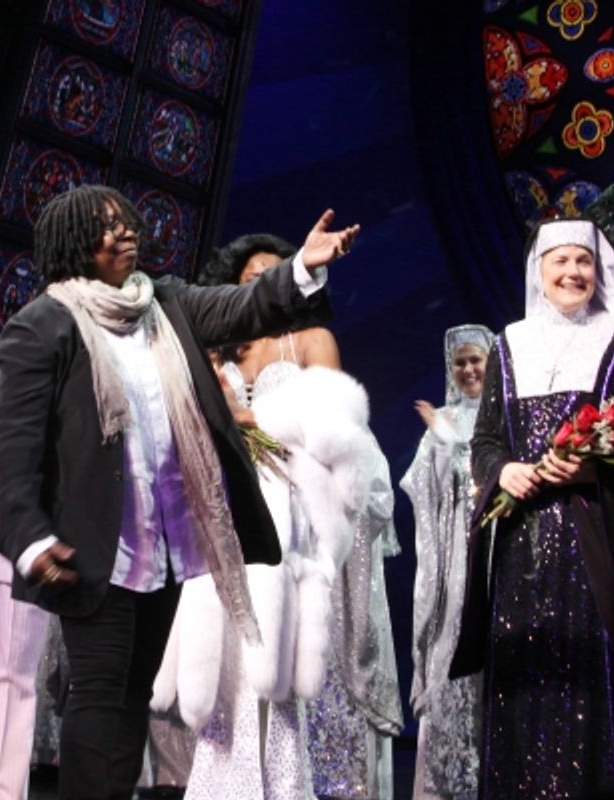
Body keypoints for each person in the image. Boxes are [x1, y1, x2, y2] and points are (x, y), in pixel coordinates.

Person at [0, 184, 359, 799]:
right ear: (75, 244)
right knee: (100, 695)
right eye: (107, 227)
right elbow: (14, 448)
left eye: (127, 222)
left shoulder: (164, 304)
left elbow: (244, 306)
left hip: (161, 545)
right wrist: (30, 539)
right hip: (96, 546)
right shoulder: (45, 324)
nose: (126, 233)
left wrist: (302, 268)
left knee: (132, 694)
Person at [151, 232, 375, 799]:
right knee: (219, 656)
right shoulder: (216, 347)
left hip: (285, 510)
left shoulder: (312, 339)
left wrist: (248, 421)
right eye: (250, 277)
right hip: (221, 507)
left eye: (273, 273)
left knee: (268, 660)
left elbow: (334, 428)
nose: (262, 283)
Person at [452, 219, 614, 795]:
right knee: (522, 680)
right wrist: (503, 471)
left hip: (590, 548)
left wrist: (591, 465)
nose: (573, 273)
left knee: (588, 682)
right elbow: (486, 439)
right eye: (561, 261)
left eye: (584, 263)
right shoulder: (508, 344)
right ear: (538, 272)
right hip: (520, 547)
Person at [399, 324, 494, 800]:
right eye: (460, 362)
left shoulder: (506, 422)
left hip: (497, 558)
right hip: (455, 563)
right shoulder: (445, 420)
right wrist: (442, 442)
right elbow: (421, 490)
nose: (469, 369)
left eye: (476, 360)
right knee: (452, 642)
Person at [0, 363, 56, 800]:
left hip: (95, 538)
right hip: (23, 537)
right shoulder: (10, 368)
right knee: (13, 675)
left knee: (95, 684)